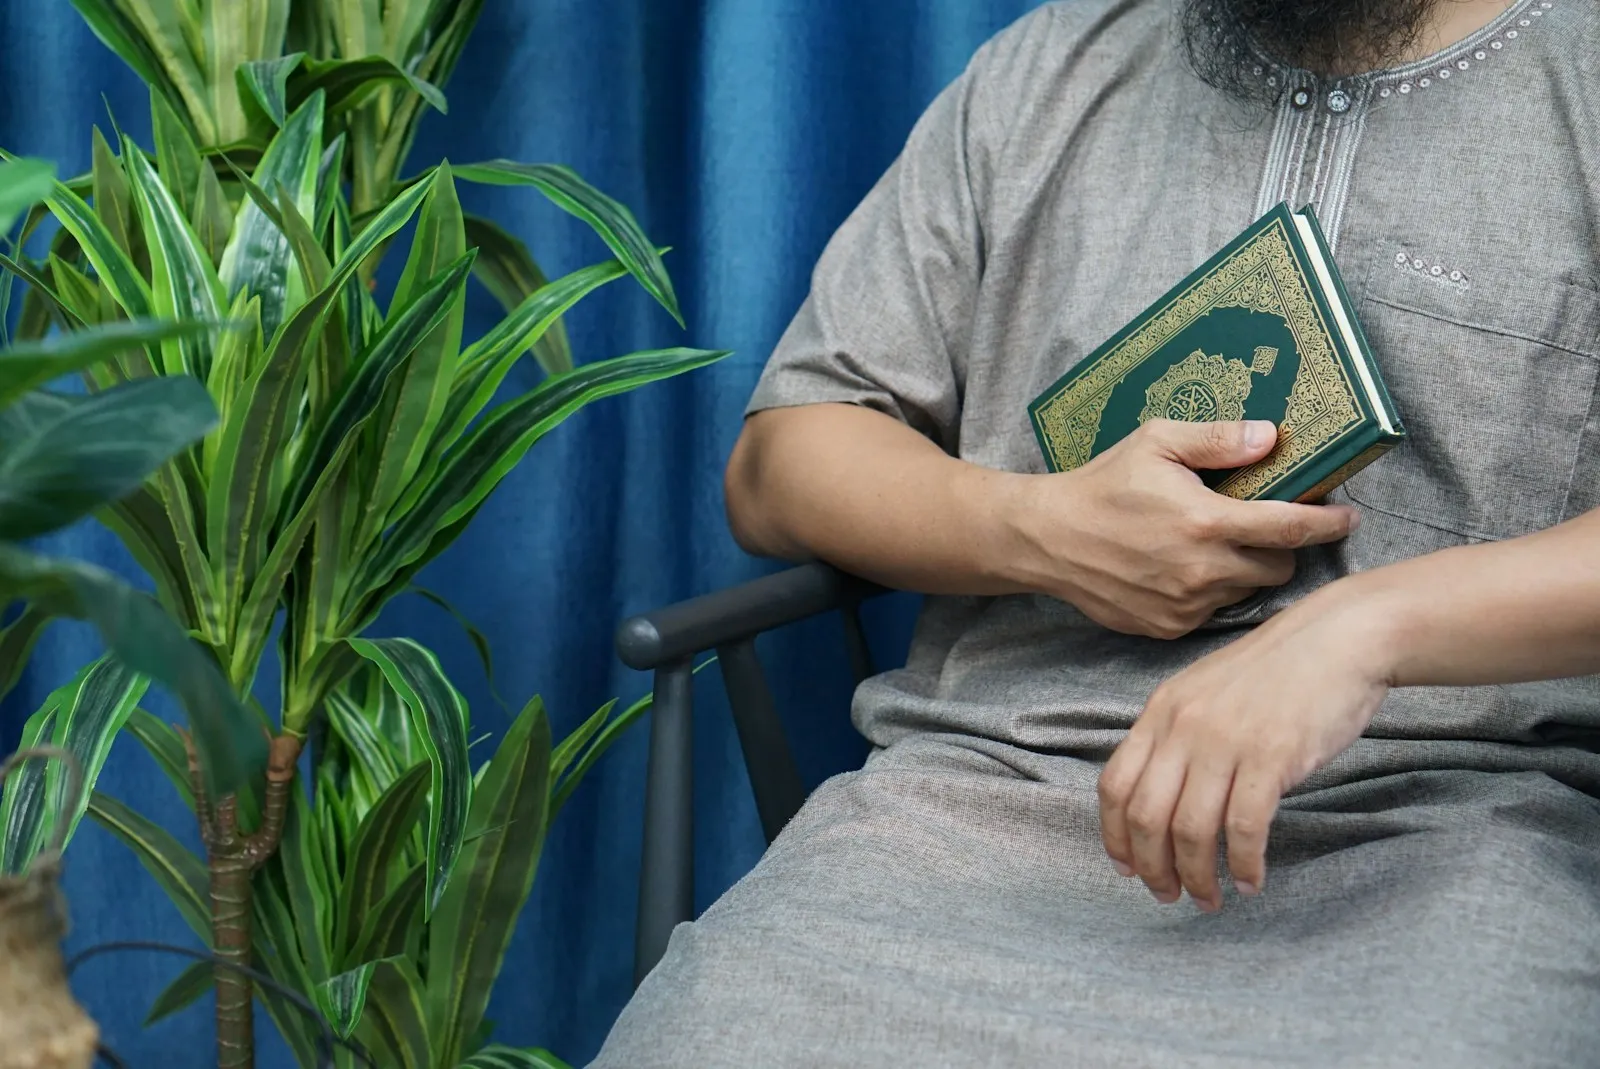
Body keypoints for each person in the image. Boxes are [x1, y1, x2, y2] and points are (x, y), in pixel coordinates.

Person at [594, 0, 1600, 1064]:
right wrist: (1036, 527)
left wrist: (1364, 628)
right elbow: (779, 465)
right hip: (973, 813)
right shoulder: (1042, 71)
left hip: (1451, 833)